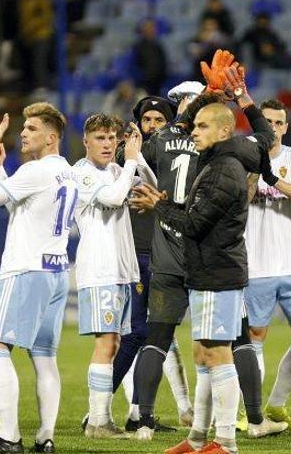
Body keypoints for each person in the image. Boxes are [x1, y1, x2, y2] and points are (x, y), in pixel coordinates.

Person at [131, 64, 280, 454]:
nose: (191, 132)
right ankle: (197, 437)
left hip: (217, 271)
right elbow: (264, 135)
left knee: (217, 354)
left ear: (222, 131)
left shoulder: (222, 170)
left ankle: (226, 440)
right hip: (210, 270)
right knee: (204, 353)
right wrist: (245, 98)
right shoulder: (239, 153)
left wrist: (159, 204)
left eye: (199, 127)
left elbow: (194, 225)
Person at [0, 103, 76, 454]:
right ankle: (45, 438)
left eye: (31, 128)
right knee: (44, 357)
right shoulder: (67, 172)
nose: (23, 133)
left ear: (51, 137)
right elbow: (18, 206)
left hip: (25, 270)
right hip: (56, 272)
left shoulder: (37, 170)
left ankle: (9, 437)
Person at [109, 96, 192, 433]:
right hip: (140, 253)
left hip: (168, 254)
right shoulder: (127, 157)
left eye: (161, 119)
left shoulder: (177, 158)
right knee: (137, 334)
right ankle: (98, 410)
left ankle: (136, 414)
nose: (154, 125)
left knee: (154, 336)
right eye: (148, 120)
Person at [73, 113, 157, 439]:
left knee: (116, 341)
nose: (107, 144)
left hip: (122, 270)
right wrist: (132, 163)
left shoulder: (117, 170)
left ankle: (101, 419)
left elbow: (151, 185)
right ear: (86, 142)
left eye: (112, 138)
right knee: (106, 343)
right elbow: (111, 197)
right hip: (99, 268)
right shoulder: (81, 174)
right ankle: (98, 422)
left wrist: (137, 157)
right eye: (100, 138)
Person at [244, 99, 291, 432]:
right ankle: (254, 412)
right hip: (255, 263)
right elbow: (240, 200)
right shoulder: (242, 156)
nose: (272, 127)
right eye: (267, 121)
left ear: (286, 127)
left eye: (278, 122)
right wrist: (253, 169)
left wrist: (272, 179)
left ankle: (276, 405)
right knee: (254, 337)